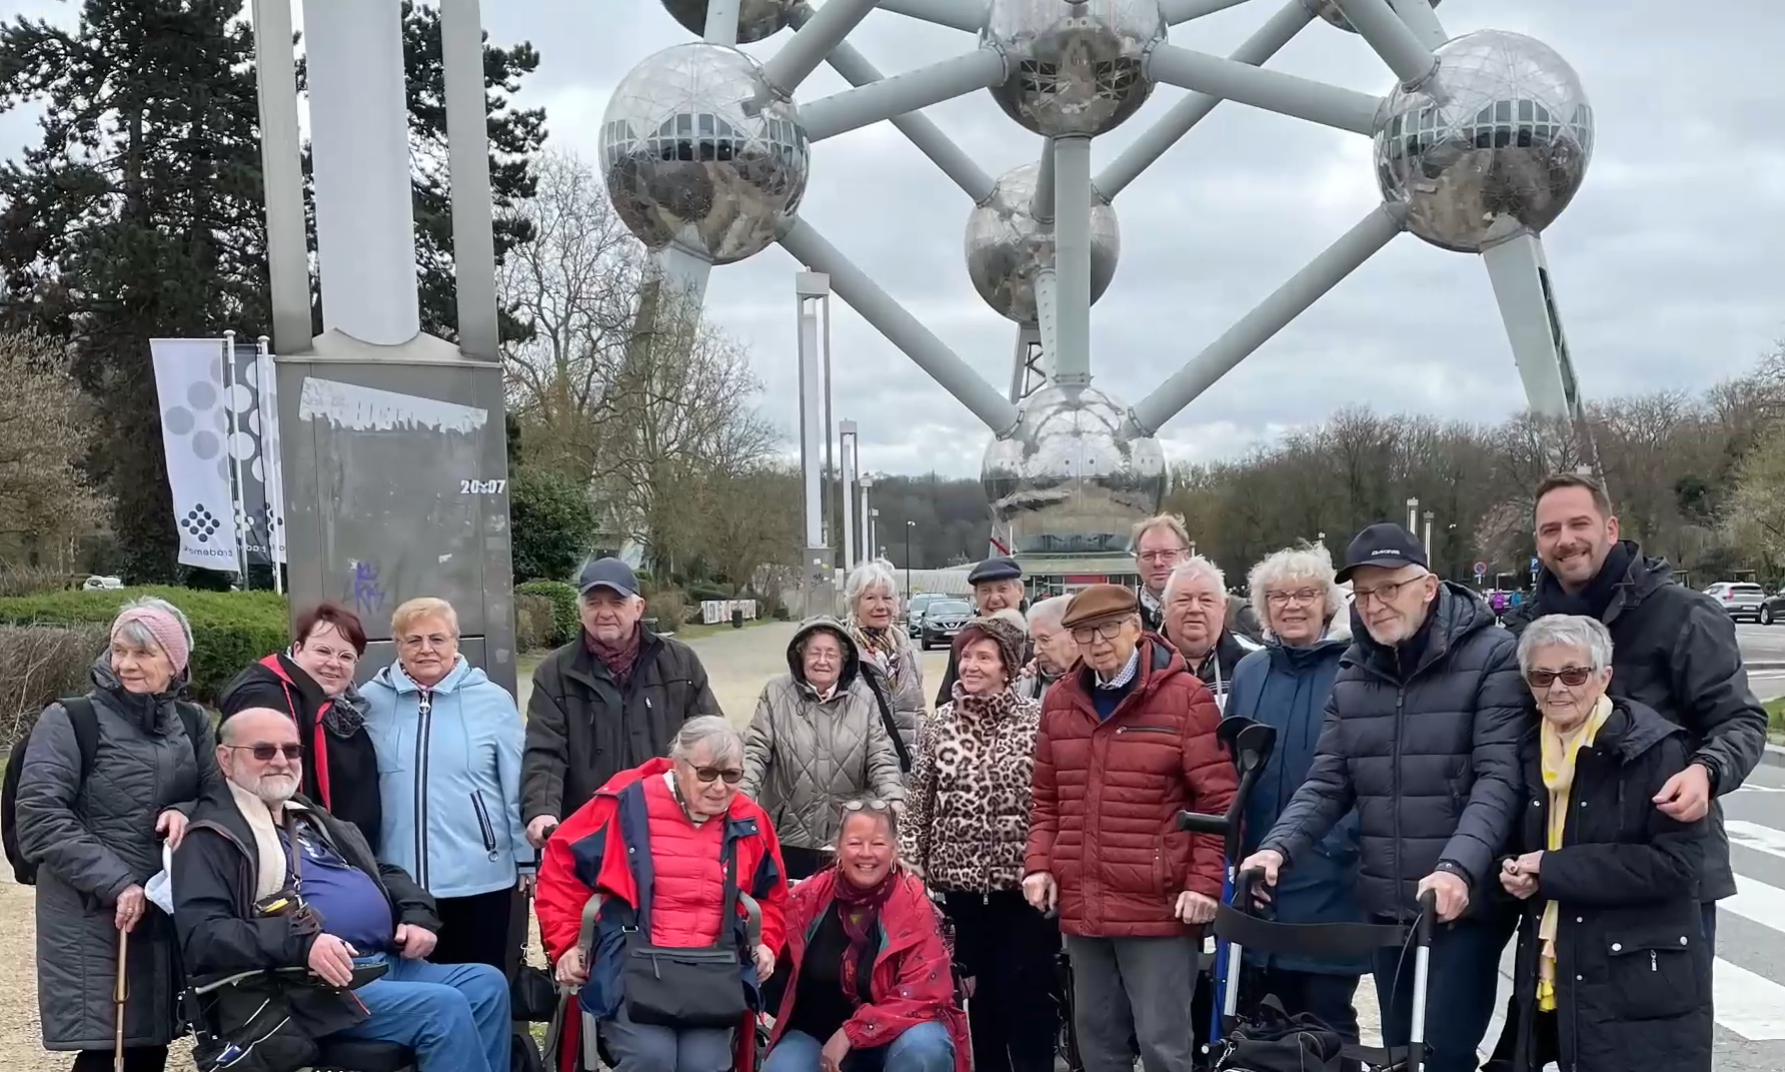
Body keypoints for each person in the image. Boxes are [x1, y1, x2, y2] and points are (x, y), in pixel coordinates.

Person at [1478, 474, 1768, 1070]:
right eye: (1550, 529)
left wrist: (1707, 772)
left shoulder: (1683, 615)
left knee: (1651, 1044)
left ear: (1610, 528)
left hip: (1656, 871)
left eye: (1578, 525)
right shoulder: (1527, 629)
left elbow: (1740, 720)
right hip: (1558, 879)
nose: (1566, 540)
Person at [1239, 523, 1527, 1072]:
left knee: (1440, 1055)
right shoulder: (1356, 670)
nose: (1375, 605)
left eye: (1389, 588)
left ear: (1429, 586)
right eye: (1364, 593)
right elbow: (1328, 781)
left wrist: (1457, 869)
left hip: (1459, 905)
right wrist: (1275, 850)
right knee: (1398, 1055)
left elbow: (1498, 779)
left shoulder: (1491, 655)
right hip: (1388, 906)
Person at [173, 706, 511, 1072]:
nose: (281, 761)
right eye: (263, 751)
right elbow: (203, 936)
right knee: (442, 1006)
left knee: (486, 983)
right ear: (225, 758)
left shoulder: (304, 814)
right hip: (304, 985)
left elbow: (378, 869)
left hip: (381, 962)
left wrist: (416, 913)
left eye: (291, 750)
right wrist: (302, 942)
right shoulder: (213, 836)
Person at [1022, 584, 1237, 1072]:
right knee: (1097, 1047)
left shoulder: (1185, 697)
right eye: (1083, 632)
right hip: (1084, 903)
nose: (1097, 641)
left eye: (1109, 628)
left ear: (1136, 629)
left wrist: (1204, 884)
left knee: (1163, 1047)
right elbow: (1046, 799)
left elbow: (1218, 801)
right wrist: (1039, 864)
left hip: (1158, 907)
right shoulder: (1060, 702)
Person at [15, 597, 225, 1072]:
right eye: (118, 650)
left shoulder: (192, 724)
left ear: (176, 663)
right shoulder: (70, 720)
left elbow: (219, 797)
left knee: (151, 1042)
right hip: (94, 910)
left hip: (166, 906)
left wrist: (184, 809)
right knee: (106, 1046)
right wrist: (117, 883)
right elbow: (40, 815)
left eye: (144, 654)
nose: (126, 664)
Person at [1497, 615, 1711, 1072]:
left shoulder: (1653, 749)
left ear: (1604, 677)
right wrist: (1515, 869)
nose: (1557, 689)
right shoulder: (1526, 748)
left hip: (1636, 980)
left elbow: (1677, 864)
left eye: (1574, 674)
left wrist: (1550, 871)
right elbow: (1522, 843)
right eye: (1541, 676)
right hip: (1552, 968)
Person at [538, 717, 790, 1072]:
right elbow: (560, 868)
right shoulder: (624, 800)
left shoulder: (750, 820)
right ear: (679, 765)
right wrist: (566, 944)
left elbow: (773, 895)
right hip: (632, 964)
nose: (720, 787)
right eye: (707, 774)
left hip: (712, 972)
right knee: (651, 1058)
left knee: (704, 1064)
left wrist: (766, 942)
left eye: (731, 775)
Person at [1224, 545, 1366, 1050]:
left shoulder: (1356, 668)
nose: (1292, 605)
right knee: (1262, 1023)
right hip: (1260, 874)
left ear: (1326, 601)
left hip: (1332, 871)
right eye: (1278, 596)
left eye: (1305, 594)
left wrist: (1341, 842)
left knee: (1327, 1018)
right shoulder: (1249, 672)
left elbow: (1361, 770)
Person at [904, 615, 1056, 1072]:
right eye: (965, 655)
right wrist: (912, 867)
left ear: (1008, 667)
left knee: (1028, 997)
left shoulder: (1037, 720)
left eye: (983, 657)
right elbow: (918, 803)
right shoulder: (939, 725)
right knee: (977, 999)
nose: (970, 665)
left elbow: (1053, 798)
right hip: (960, 892)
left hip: (1023, 888)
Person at [361, 597, 531, 971]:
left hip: (479, 879)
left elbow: (515, 783)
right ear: (398, 646)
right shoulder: (369, 702)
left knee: (481, 982)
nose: (426, 650)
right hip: (397, 881)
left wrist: (526, 858)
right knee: (414, 994)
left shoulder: (491, 701)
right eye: (414, 640)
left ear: (456, 642)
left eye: (437, 639)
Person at [523, 556, 722, 852]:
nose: (604, 613)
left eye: (616, 602)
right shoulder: (554, 673)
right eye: (593, 603)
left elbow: (711, 741)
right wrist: (541, 810)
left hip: (669, 830)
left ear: (638, 608)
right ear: (580, 611)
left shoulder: (680, 664)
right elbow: (545, 751)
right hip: (587, 832)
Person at [763, 801, 968, 1072]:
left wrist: (852, 1033)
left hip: (897, 1035)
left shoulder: (914, 905)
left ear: (895, 849)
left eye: (878, 844)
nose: (867, 854)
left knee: (925, 1050)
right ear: (838, 847)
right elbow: (771, 935)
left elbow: (924, 994)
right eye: (855, 843)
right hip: (817, 1031)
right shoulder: (807, 897)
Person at [741, 617, 907, 881]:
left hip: (846, 837)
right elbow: (755, 752)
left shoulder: (863, 698)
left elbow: (881, 757)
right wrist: (741, 799)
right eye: (814, 652)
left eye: (831, 654)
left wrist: (894, 800)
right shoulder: (775, 693)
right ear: (800, 656)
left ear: (844, 660)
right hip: (787, 836)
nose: (822, 660)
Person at [219, 600, 382, 850]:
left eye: (346, 656)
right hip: (287, 851)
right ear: (298, 649)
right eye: (323, 651)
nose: (334, 663)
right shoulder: (265, 699)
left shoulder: (338, 704)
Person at [1158, 557, 1263, 710]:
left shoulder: (1256, 662)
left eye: (1206, 600)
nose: (1195, 609)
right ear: (1163, 606)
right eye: (1183, 600)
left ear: (1224, 606)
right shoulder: (1138, 662)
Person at [844, 559, 927, 752]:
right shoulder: (843, 652)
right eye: (870, 598)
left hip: (906, 765)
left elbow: (919, 709)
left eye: (887, 598)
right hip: (862, 768)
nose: (881, 606)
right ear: (855, 604)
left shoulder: (907, 651)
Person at [932, 557, 1029, 706]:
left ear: (1020, 592)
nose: (995, 598)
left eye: (1003, 589)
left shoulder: (1038, 640)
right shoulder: (967, 642)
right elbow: (946, 699)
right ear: (976, 596)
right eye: (986, 591)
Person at [1019, 596, 1078, 701]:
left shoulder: (1100, 681)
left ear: (1073, 635)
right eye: (1033, 641)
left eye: (1044, 640)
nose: (1036, 651)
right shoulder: (1030, 680)